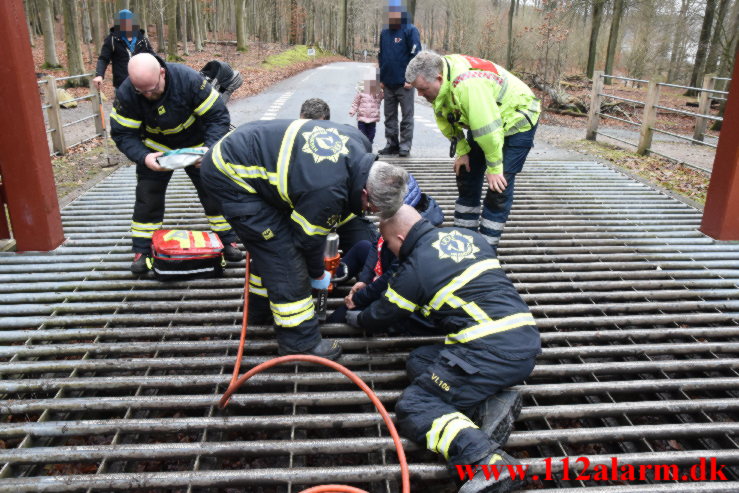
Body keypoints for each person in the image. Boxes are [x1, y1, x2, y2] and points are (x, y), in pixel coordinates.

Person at [345, 205, 540, 492]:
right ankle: (489, 403)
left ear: (399, 237)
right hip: (522, 340)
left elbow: (385, 315)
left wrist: (357, 317)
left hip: (488, 351)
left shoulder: (415, 267)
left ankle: (486, 462)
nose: (388, 249)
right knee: (420, 360)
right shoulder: (468, 237)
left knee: (415, 406)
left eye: (388, 243)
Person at [199, 119, 409, 360]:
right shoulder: (327, 191)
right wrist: (318, 273)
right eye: (370, 207)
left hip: (254, 159)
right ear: (365, 192)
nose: (367, 213)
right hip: (231, 176)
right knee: (284, 256)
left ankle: (259, 310)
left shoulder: (359, 144)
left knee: (269, 249)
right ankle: (299, 340)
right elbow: (305, 244)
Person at [110, 53, 243, 274]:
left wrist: (209, 150)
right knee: (147, 197)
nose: (148, 95)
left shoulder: (189, 80)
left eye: (152, 89)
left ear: (162, 73)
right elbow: (123, 134)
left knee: (213, 190)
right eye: (142, 91)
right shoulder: (127, 93)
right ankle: (142, 251)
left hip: (196, 144)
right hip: (155, 148)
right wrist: (143, 157)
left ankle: (228, 240)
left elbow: (217, 117)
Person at [405, 51, 540, 254]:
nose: (420, 95)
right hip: (488, 122)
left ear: (439, 78)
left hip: (517, 119)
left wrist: (494, 167)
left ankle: (485, 251)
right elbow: (446, 117)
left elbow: (488, 130)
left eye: (422, 89)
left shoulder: (468, 85)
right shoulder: (442, 80)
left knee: (498, 188)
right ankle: (463, 242)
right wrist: (462, 151)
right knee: (467, 174)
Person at [329, 175, 443, 325]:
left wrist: (359, 298)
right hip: (388, 267)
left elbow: (393, 276)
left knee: (344, 314)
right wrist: (364, 279)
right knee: (362, 246)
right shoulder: (404, 212)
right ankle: (326, 283)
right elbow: (377, 243)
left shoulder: (415, 236)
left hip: (400, 285)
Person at [299, 98, 379, 254]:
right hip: (302, 220)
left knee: (370, 253)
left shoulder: (351, 141)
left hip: (343, 217)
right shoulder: (289, 143)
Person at [377, 1, 421, 157]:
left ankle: (405, 146)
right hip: (388, 82)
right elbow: (381, 55)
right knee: (389, 116)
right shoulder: (384, 32)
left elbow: (416, 56)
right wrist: (380, 79)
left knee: (407, 116)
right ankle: (391, 143)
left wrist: (411, 79)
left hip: (405, 84)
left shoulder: (410, 30)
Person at [93, 9, 155, 91]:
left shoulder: (142, 40)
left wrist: (163, 67)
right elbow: (103, 59)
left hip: (142, 84)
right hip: (122, 85)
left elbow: (153, 57)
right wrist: (99, 75)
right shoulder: (112, 40)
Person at [349, 76, 383, 144]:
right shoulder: (360, 94)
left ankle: (369, 143)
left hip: (373, 118)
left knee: (371, 133)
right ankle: (363, 145)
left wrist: (381, 89)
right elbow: (355, 103)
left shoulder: (377, 94)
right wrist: (352, 111)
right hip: (362, 118)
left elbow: (383, 96)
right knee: (362, 134)